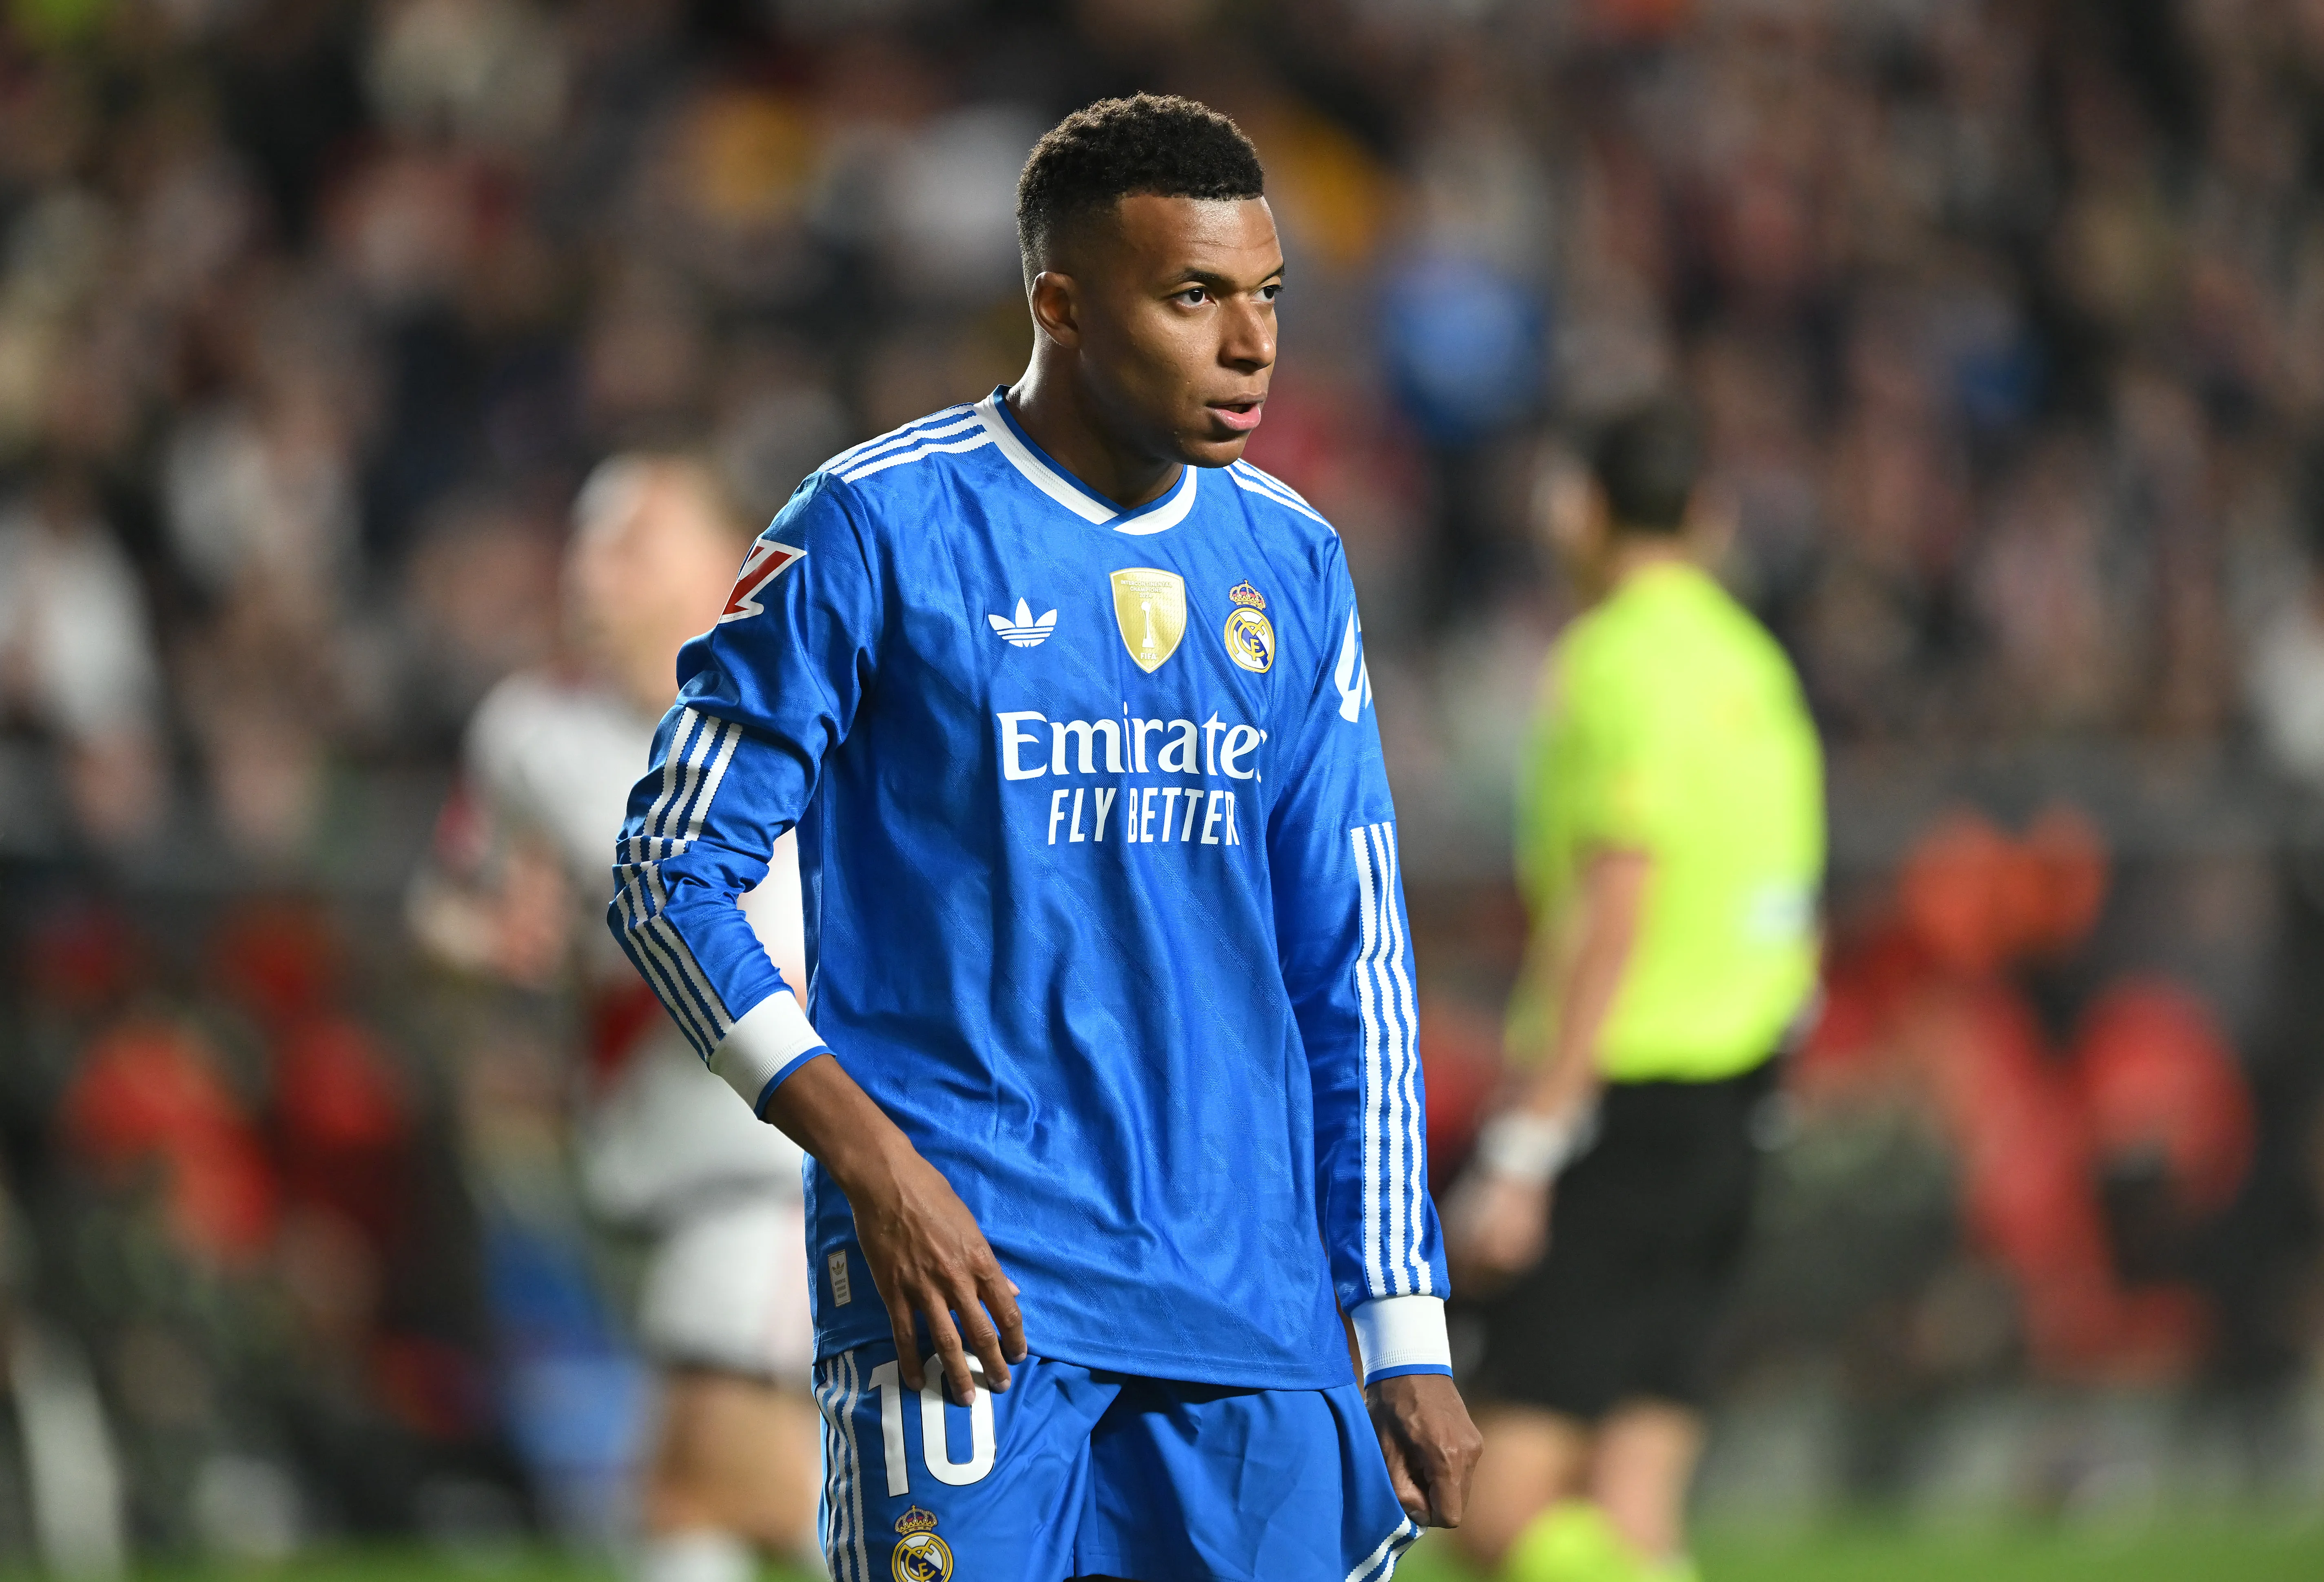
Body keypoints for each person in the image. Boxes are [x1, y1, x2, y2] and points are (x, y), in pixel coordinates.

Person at [605, 95, 1481, 1582]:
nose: (1252, 344)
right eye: (1194, 296)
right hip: (969, 1294)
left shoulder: (1293, 561)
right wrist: (875, 1166)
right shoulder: (873, 528)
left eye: (1269, 295)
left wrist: (1403, 1325)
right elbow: (667, 870)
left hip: (1251, 1309)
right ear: (1060, 306)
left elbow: (1356, 964)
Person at [410, 456, 827, 1582]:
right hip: (637, 1165)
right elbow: (449, 908)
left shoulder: (819, 700)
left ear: (728, 557)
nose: (595, 569)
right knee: (717, 1494)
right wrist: (488, 944)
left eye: (635, 541)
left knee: (707, 1473)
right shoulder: (529, 733)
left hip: (788, 1159)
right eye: (586, 541)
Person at [1444, 402, 1825, 1582]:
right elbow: (1789, 898)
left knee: (1489, 1504)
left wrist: (1525, 1148)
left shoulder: (1612, 663)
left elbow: (1614, 909)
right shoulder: (1755, 665)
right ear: (1709, 516)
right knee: (1634, 1501)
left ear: (1584, 511)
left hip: (1626, 1101)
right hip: (1736, 1102)